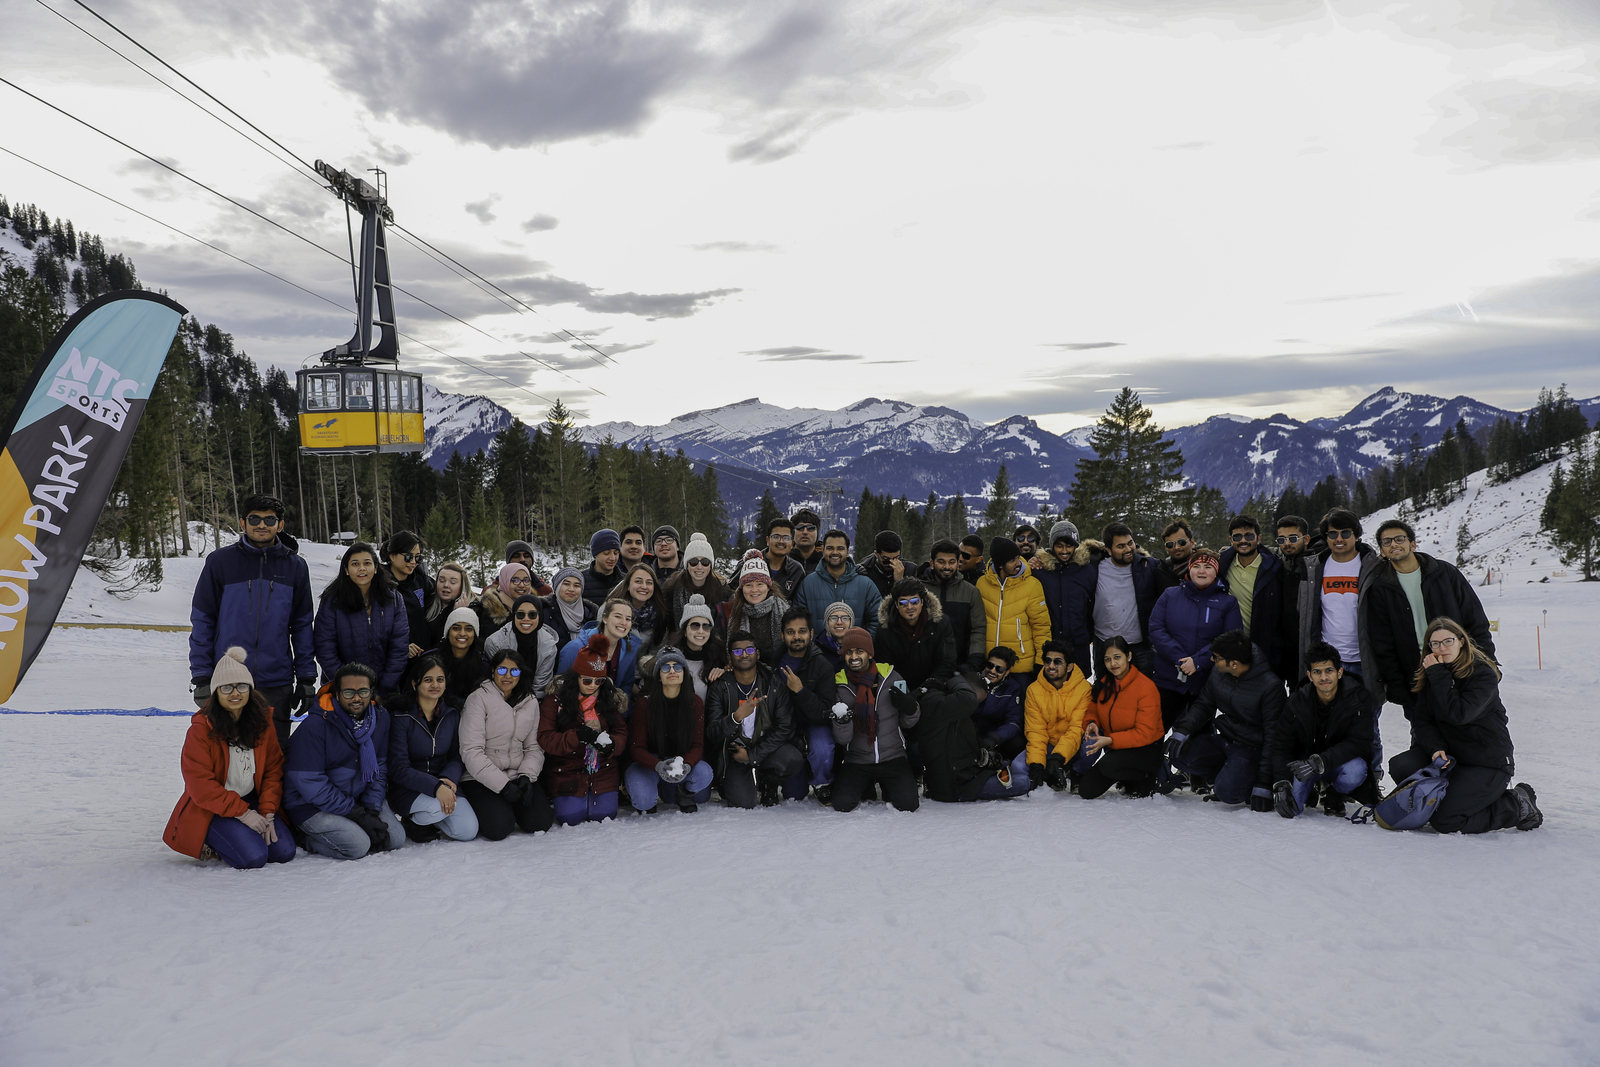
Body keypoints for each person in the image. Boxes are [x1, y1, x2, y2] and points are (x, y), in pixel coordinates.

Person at [188, 493, 316, 755]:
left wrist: (306, 678)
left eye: (270, 519)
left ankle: (270, 800)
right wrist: (201, 676)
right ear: (242, 523)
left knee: (273, 757)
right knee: (226, 757)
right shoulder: (220, 562)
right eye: (255, 518)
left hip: (276, 681)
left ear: (280, 525)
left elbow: (302, 626)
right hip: (228, 679)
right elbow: (203, 620)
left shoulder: (295, 567)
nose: (262, 524)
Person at [1386, 617, 1541, 833]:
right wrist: (1434, 748)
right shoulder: (1433, 676)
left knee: (1446, 821)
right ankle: (1447, 802)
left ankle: (1516, 804)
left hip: (1486, 762)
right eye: (1435, 644)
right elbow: (1423, 721)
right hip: (1452, 759)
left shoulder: (1482, 674)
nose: (1442, 648)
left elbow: (1459, 714)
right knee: (1401, 765)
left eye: (1448, 641)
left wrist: (1438, 675)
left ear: (1461, 641)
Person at [163, 647, 295, 868]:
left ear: (250, 689)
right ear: (216, 693)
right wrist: (243, 814)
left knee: (283, 851)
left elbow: (273, 768)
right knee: (253, 857)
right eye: (226, 688)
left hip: (251, 798)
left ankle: (239, 832)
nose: (235, 693)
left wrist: (268, 810)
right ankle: (208, 837)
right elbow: (200, 785)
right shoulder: (201, 730)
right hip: (212, 807)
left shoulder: (262, 723)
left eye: (242, 686)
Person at [1364, 519, 1496, 722]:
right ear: (1382, 551)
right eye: (1386, 541)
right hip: (1417, 673)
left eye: (1399, 539)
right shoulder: (1381, 587)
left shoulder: (1444, 573)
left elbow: (1475, 619)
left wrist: (1487, 660)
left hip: (1460, 664)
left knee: (1472, 728)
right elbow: (1383, 642)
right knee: (1425, 735)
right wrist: (1397, 684)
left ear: (1413, 544)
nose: (1393, 544)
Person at [284, 661, 406, 859]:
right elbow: (310, 782)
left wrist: (372, 810)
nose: (356, 698)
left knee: (395, 838)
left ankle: (353, 823)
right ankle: (304, 837)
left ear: (372, 693)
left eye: (363, 692)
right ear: (337, 694)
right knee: (357, 846)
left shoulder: (380, 719)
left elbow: (380, 768)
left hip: (356, 798)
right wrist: (357, 814)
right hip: (309, 804)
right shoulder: (315, 726)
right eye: (349, 692)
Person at [1297, 509, 1382, 777]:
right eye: (1332, 534)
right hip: (1329, 660)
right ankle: (1331, 782)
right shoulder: (1316, 566)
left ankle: (1372, 780)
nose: (1339, 539)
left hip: (1364, 660)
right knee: (1326, 723)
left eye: (1345, 533)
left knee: (1367, 726)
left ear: (1356, 534)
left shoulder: (1373, 566)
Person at [1166, 630, 1285, 808]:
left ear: (1234, 664)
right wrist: (1183, 731)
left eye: (1216, 657)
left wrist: (1264, 784)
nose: (1213, 661)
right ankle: (1231, 774)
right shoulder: (1219, 672)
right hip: (1227, 738)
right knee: (1180, 754)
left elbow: (1273, 739)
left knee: (1228, 793)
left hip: (1252, 748)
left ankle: (1245, 781)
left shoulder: (1270, 687)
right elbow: (1204, 704)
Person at [1267, 642, 1376, 819]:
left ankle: (1334, 793)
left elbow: (1360, 742)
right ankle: (1311, 790)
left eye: (1329, 671)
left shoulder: (1359, 697)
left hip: (1340, 763)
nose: (1324, 677)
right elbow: (1281, 745)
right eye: (1317, 672)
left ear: (1339, 672)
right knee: (1291, 810)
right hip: (1304, 766)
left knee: (1356, 771)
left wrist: (1319, 762)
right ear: (1309, 676)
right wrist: (1281, 783)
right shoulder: (1296, 701)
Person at [459, 648, 553, 838]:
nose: (507, 676)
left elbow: (533, 747)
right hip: (481, 777)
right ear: (493, 671)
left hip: (517, 773)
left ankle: (512, 804)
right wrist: (503, 786)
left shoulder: (530, 701)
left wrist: (527, 776)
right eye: (502, 670)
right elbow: (471, 751)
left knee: (540, 822)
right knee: (499, 828)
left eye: (514, 671)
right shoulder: (478, 699)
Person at [705, 631, 806, 807]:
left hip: (764, 747)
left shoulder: (773, 683)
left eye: (749, 650)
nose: (744, 654)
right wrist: (736, 717)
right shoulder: (720, 687)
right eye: (737, 651)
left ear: (757, 654)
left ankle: (768, 781)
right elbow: (713, 732)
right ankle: (727, 782)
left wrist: (752, 755)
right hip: (734, 753)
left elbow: (785, 727)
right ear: (730, 656)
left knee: (792, 759)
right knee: (745, 803)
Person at [387, 653, 480, 842]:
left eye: (440, 680)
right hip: (408, 788)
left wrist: (447, 779)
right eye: (428, 680)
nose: (435, 685)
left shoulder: (452, 714)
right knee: (437, 808)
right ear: (415, 684)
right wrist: (435, 787)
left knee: (467, 831)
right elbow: (398, 768)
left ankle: (426, 820)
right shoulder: (401, 717)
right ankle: (412, 820)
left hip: (444, 782)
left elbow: (456, 756)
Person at [828, 628, 922, 813]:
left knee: (909, 805)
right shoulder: (840, 685)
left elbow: (908, 723)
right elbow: (843, 739)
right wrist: (843, 720)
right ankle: (866, 784)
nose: (854, 656)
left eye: (859, 651)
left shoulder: (891, 678)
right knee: (842, 804)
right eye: (849, 652)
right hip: (857, 759)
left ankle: (887, 785)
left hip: (893, 757)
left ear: (870, 653)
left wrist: (910, 707)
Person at [1147, 547, 1241, 730]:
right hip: (1168, 678)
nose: (1202, 570)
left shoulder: (1228, 602)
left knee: (1200, 736)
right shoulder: (1170, 595)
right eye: (1197, 565)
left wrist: (1198, 661)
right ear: (1189, 569)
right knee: (1155, 730)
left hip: (1204, 682)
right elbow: (1156, 628)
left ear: (1216, 571)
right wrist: (1180, 659)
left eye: (1208, 566)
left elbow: (1230, 638)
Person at [541, 635, 630, 825]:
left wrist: (612, 744)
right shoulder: (555, 700)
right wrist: (577, 736)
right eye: (587, 680)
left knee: (604, 816)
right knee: (570, 817)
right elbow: (546, 738)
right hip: (567, 769)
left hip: (604, 769)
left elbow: (621, 731)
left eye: (599, 681)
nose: (593, 686)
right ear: (576, 677)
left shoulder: (608, 698)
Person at [913, 671, 1030, 802]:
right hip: (955, 787)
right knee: (1023, 782)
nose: (975, 706)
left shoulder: (957, 712)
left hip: (965, 774)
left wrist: (984, 757)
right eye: (976, 700)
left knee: (1007, 763)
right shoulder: (941, 706)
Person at [314, 541, 410, 696]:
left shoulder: (393, 599)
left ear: (376, 568)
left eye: (367, 563)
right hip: (342, 692)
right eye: (355, 564)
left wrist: (383, 689)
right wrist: (349, 689)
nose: (362, 568)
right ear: (346, 569)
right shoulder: (332, 601)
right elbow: (325, 647)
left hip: (384, 691)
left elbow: (399, 647)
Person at [1074, 636, 1164, 799]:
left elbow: (1145, 733)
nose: (1113, 664)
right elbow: (1093, 708)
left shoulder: (1146, 687)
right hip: (1117, 748)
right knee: (1087, 791)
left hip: (1146, 750)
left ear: (1128, 656)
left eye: (1117, 657)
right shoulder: (1105, 684)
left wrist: (1110, 740)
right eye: (1108, 659)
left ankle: (1149, 776)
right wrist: (1092, 722)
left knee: (1108, 765)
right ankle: (1127, 778)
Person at [625, 647, 713, 813]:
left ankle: (679, 792)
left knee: (704, 777)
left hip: (680, 762)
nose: (672, 671)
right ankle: (652, 788)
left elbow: (697, 745)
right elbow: (637, 748)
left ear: (684, 673)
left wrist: (686, 765)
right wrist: (657, 765)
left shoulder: (695, 703)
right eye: (666, 667)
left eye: (677, 667)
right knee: (644, 802)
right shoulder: (645, 704)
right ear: (659, 675)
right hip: (651, 763)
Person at [775, 606, 841, 803]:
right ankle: (772, 778)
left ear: (811, 634)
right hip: (785, 726)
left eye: (802, 631)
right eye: (791, 632)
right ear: (782, 635)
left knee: (822, 747)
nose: (797, 637)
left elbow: (824, 713)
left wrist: (801, 691)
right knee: (794, 795)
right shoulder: (772, 661)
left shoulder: (822, 665)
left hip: (814, 723)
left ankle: (822, 782)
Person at [976, 536, 1052, 679]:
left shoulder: (1032, 585)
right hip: (990, 666)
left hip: (1020, 667)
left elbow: (1041, 627)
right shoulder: (982, 584)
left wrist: (1041, 661)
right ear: (1000, 564)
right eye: (1012, 560)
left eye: (1018, 557)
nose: (1018, 563)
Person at [1092, 523, 1159, 680]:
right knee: (1106, 694)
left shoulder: (1147, 566)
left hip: (1140, 646)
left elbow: (1175, 567)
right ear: (1108, 550)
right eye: (1120, 546)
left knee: (1143, 695)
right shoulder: (1094, 568)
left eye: (1130, 543)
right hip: (1105, 644)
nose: (1128, 549)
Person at [1218, 515, 1282, 677]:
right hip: (1231, 647)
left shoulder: (1275, 568)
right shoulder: (1222, 565)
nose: (1243, 541)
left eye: (1249, 536)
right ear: (1231, 540)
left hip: (1264, 648)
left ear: (1259, 538)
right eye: (1237, 537)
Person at [1023, 641, 1090, 792]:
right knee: (1019, 768)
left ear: (1070, 666)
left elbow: (1076, 728)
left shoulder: (1084, 689)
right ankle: (1049, 773)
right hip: (1048, 746)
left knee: (1091, 743)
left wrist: (1058, 757)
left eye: (1057, 662)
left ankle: (1076, 773)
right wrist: (1037, 765)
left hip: (1075, 748)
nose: (1051, 666)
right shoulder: (1033, 690)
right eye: (1047, 661)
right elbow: (1036, 732)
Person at [1032, 521, 1097, 678]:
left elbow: (1094, 604)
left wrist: (1088, 634)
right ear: (1052, 546)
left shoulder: (1087, 571)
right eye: (1059, 545)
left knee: (1079, 693)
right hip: (1051, 644)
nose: (1064, 550)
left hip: (1078, 645)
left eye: (1069, 545)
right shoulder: (1041, 571)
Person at [873, 578, 958, 691]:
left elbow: (946, 663)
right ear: (896, 605)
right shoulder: (885, 629)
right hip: (899, 687)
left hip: (934, 685)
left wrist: (927, 688)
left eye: (914, 602)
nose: (909, 607)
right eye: (903, 603)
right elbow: (885, 667)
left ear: (922, 602)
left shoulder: (940, 624)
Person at [793, 530, 881, 638]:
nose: (835, 552)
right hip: (818, 652)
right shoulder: (807, 584)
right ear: (823, 550)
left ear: (848, 551)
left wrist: (861, 646)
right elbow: (798, 622)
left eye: (840, 548)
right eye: (830, 548)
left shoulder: (865, 585)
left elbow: (876, 620)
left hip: (854, 653)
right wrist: (813, 649)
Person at [916, 539, 987, 671]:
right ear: (932, 563)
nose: (947, 567)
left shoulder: (971, 592)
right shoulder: (918, 590)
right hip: (922, 663)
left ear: (958, 563)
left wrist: (974, 660)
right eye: (941, 562)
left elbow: (978, 629)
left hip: (960, 664)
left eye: (952, 562)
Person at [555, 599, 642, 706]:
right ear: (605, 618)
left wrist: (621, 715)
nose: (623, 622)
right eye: (618, 616)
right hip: (575, 711)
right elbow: (560, 685)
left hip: (609, 712)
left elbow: (626, 686)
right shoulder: (575, 648)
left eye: (628, 619)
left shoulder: (629, 650)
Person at [722, 550, 789, 665]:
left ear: (768, 587)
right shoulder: (734, 612)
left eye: (760, 584)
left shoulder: (784, 610)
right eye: (748, 585)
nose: (754, 590)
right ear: (741, 588)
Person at [483, 595, 559, 697]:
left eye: (532, 615)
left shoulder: (549, 646)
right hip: (499, 696)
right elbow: (495, 679)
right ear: (513, 615)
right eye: (520, 614)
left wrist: (529, 706)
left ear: (540, 616)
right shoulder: (495, 643)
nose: (526, 619)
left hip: (532, 699)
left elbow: (540, 686)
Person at [1273, 514, 1317, 685]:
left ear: (1306, 539)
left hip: (1311, 648)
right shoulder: (1279, 565)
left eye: (1292, 538)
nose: (1287, 543)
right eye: (1281, 539)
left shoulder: (1317, 565)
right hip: (1287, 650)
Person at [662, 533, 730, 629]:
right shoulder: (671, 589)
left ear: (710, 565)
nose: (699, 567)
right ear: (687, 565)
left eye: (705, 562)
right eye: (694, 562)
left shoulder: (722, 591)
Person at [384, 531, 434, 660]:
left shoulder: (421, 580)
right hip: (395, 658)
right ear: (392, 556)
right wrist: (400, 646)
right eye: (408, 557)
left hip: (424, 655)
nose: (413, 562)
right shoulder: (380, 586)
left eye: (418, 557)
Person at [667, 595, 726, 701]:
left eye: (706, 626)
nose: (700, 631)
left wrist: (723, 672)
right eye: (695, 625)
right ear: (684, 631)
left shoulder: (718, 657)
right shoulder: (670, 658)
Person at [973, 646, 1026, 762]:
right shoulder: (974, 680)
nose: (992, 671)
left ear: (1007, 672)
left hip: (994, 736)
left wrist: (995, 738)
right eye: (990, 665)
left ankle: (998, 764)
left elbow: (1013, 721)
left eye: (999, 669)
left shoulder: (1012, 688)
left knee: (1018, 743)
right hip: (971, 731)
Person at [608, 563, 671, 653]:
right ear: (628, 585)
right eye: (638, 581)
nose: (644, 587)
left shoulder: (659, 614)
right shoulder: (611, 610)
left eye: (649, 583)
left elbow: (655, 652)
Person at [435, 607, 488, 705]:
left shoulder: (484, 665)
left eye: (468, 629)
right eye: (456, 628)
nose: (462, 633)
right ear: (448, 632)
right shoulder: (433, 661)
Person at [542, 566, 599, 650]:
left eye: (576, 585)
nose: (571, 589)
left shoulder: (590, 614)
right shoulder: (544, 612)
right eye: (566, 584)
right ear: (557, 586)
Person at [475, 562, 537, 638]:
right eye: (515, 580)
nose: (522, 585)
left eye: (526, 580)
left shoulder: (537, 607)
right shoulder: (492, 610)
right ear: (504, 581)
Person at [422, 561, 474, 651]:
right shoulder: (428, 602)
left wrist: (459, 616)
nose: (446, 585)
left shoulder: (474, 608)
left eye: (453, 582)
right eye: (441, 581)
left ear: (462, 585)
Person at [761, 516, 809, 600]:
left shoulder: (796, 570)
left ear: (792, 543)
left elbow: (800, 602)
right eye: (776, 537)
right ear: (768, 540)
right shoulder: (751, 563)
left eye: (786, 538)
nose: (781, 541)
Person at [858, 530, 907, 599]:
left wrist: (900, 582)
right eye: (886, 559)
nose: (892, 563)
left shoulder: (910, 569)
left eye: (896, 558)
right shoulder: (864, 571)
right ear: (876, 554)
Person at [1152, 520, 1194, 598]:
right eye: (1170, 544)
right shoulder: (1161, 572)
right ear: (1166, 549)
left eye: (1181, 542)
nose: (1176, 547)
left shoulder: (1208, 566)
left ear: (1192, 543)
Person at [582, 529, 623, 604]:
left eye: (616, 553)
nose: (612, 558)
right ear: (595, 554)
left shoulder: (626, 580)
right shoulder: (580, 581)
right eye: (606, 553)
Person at [790, 509, 824, 573]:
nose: (805, 532)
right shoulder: (783, 560)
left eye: (810, 528)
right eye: (800, 527)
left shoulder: (826, 561)